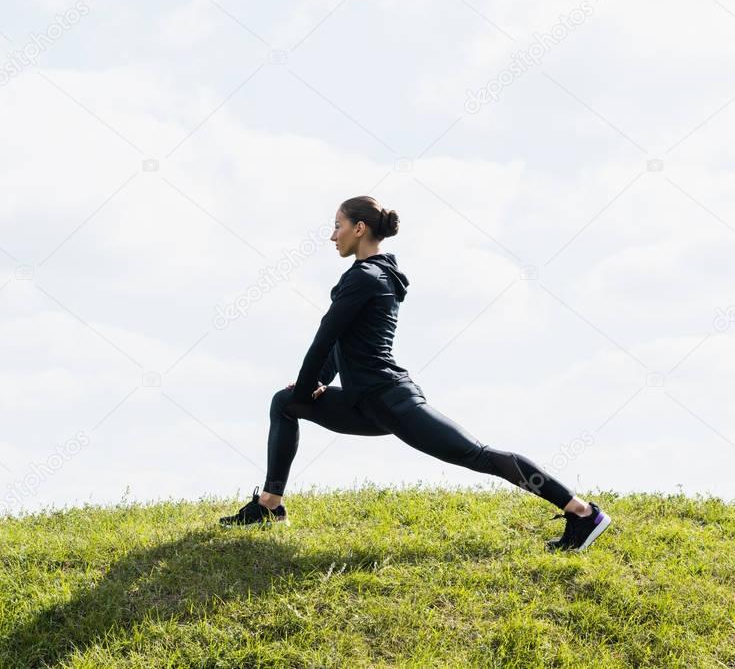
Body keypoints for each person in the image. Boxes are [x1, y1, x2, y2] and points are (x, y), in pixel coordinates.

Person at [219, 196, 612, 552]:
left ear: (360, 229)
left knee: (478, 455)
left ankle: (582, 513)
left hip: (392, 401)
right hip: (364, 403)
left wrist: (308, 387)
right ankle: (270, 506)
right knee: (284, 404)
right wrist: (313, 385)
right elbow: (341, 346)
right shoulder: (372, 276)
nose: (332, 235)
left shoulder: (365, 278)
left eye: (337, 225)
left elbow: (324, 340)